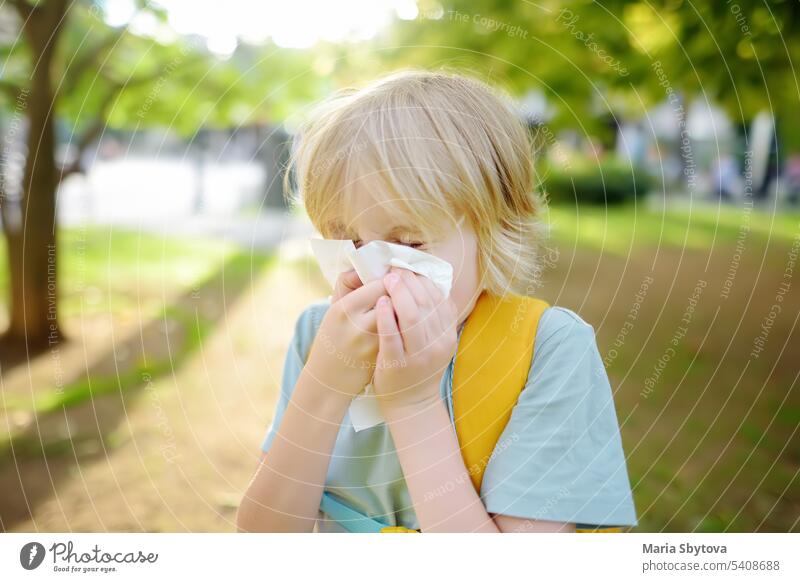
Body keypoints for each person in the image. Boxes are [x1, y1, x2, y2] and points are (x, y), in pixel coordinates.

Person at [237, 69, 638, 533]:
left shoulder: (546, 350)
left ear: (494, 230)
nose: (375, 272)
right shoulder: (320, 332)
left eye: (408, 242)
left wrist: (412, 403)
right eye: (345, 240)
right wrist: (323, 386)